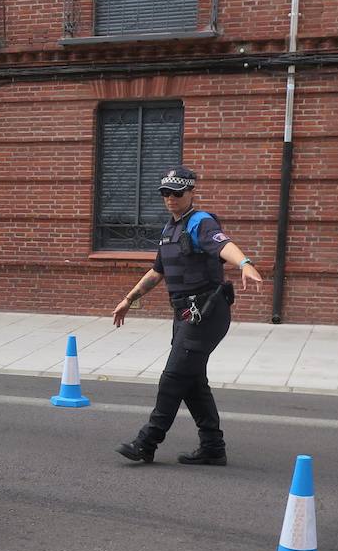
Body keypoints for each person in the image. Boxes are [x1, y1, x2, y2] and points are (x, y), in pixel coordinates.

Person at [110, 166, 263, 466]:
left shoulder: (200, 222)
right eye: (165, 193)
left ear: (191, 192)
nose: (170, 198)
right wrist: (129, 299)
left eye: (177, 193)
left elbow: (223, 245)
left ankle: (147, 442)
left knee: (174, 377)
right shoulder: (169, 229)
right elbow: (158, 272)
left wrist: (244, 262)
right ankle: (213, 447)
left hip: (206, 311)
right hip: (185, 313)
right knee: (192, 380)